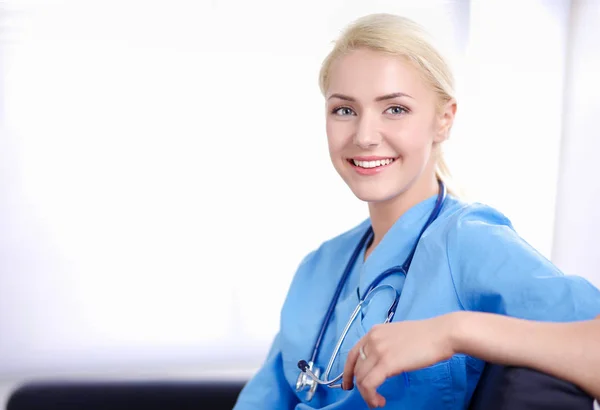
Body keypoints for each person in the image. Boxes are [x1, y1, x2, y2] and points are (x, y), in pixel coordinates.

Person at [232, 13, 600, 409]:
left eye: (394, 109)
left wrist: (453, 332)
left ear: (443, 120)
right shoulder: (316, 268)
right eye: (344, 110)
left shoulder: (470, 242)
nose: (365, 136)